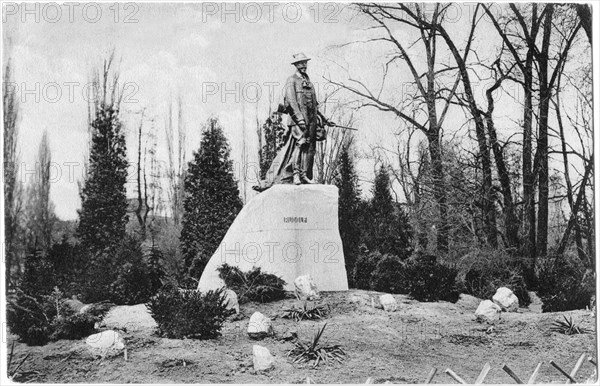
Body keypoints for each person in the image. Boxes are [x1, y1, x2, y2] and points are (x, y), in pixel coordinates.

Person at [253, 52, 334, 191]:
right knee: (299, 146)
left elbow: (314, 106)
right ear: (296, 65)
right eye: (301, 63)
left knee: (310, 150)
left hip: (311, 122)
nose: (304, 66)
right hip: (298, 121)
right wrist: (300, 119)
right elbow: (291, 101)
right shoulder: (292, 80)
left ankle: (305, 175)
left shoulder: (309, 82)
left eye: (305, 63)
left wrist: (325, 119)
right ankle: (295, 174)